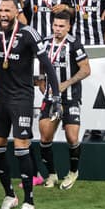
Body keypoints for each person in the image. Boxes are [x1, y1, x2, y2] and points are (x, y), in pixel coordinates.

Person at [0, 0, 59, 209]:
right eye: (0, 10)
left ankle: (29, 202)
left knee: (21, 147)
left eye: (7, 10)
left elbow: (47, 64)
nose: (3, 14)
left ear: (17, 12)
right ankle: (10, 195)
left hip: (21, 98)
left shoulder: (28, 33)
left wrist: (55, 96)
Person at [38, 10, 89, 190]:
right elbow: (43, 66)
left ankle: (73, 172)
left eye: (61, 26)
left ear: (69, 27)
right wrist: (42, 81)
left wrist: (67, 83)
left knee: (72, 137)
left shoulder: (75, 44)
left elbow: (86, 70)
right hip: (50, 98)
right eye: (55, 25)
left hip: (70, 98)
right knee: (44, 138)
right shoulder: (44, 43)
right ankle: (51, 174)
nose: (57, 29)